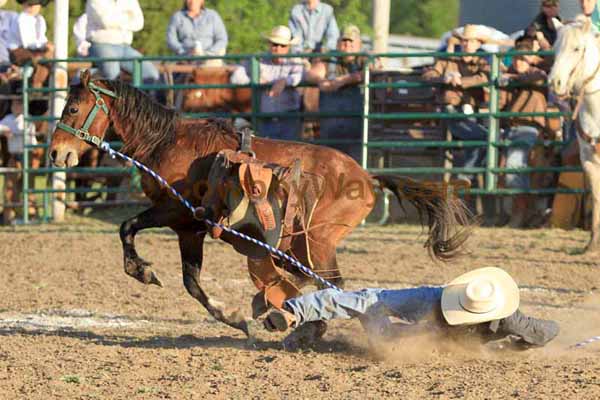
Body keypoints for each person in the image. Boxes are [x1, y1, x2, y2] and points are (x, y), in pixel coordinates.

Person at [264, 267, 559, 351]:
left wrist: (517, 348)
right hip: (413, 334)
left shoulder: (512, 321)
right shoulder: (431, 299)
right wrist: (296, 309)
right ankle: (296, 314)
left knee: (390, 339)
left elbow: (547, 331)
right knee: (367, 303)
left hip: (428, 339)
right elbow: (371, 299)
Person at [422, 24, 491, 186]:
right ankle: (466, 177)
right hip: (452, 110)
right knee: (483, 137)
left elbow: (486, 77)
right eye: (464, 41)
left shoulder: (481, 61)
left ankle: (466, 179)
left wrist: (461, 81)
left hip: (473, 111)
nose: (467, 44)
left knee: (478, 138)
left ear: (478, 44)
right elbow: (428, 74)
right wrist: (444, 78)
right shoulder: (448, 59)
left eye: (471, 41)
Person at [498, 38, 551, 228]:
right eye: (516, 59)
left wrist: (510, 79)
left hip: (529, 127)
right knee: (502, 169)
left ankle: (519, 215)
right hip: (510, 128)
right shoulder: (510, 79)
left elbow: (538, 77)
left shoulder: (537, 74)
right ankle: (512, 213)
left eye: (523, 59)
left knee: (514, 167)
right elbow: (500, 104)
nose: (518, 62)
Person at [306, 24, 371, 161]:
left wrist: (344, 80)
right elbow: (311, 74)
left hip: (356, 128)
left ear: (358, 44)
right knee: (328, 164)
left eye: (351, 41)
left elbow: (372, 71)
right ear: (338, 43)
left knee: (355, 165)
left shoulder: (364, 58)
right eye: (344, 41)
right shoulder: (330, 58)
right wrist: (320, 80)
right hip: (331, 128)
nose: (347, 45)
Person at [230, 25, 303, 141]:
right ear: (269, 44)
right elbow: (236, 76)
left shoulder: (295, 61)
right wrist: (255, 81)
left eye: (282, 45)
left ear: (288, 47)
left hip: (289, 118)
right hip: (266, 119)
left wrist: (285, 81)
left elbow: (300, 76)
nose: (278, 48)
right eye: (274, 44)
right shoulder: (259, 60)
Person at [85, 0, 159, 83]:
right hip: (101, 45)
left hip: (125, 47)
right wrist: (128, 16)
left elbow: (139, 23)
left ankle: (136, 95)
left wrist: (115, 17)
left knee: (151, 74)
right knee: (113, 76)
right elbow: (106, 22)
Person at [0, 94, 37, 224]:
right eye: (14, 104)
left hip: (27, 154)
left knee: (28, 185)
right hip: (14, 155)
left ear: (23, 106)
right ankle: (9, 216)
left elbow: (27, 136)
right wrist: (5, 130)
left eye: (19, 104)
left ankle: (31, 214)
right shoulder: (8, 118)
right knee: (11, 186)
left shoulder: (27, 119)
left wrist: (12, 131)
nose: (16, 107)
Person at [166, 0, 228, 67]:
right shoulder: (177, 17)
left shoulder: (213, 16)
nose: (192, 1)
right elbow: (171, 40)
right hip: (185, 61)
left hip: (210, 60)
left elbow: (222, 39)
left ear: (202, 1)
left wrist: (207, 54)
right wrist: (185, 52)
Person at [7, 0, 53, 88]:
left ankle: (36, 85)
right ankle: (33, 86)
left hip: (32, 50)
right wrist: (44, 45)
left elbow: (41, 38)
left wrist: (47, 45)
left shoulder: (39, 19)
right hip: (17, 51)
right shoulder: (22, 19)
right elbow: (27, 43)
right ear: (24, 5)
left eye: (36, 4)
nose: (33, 7)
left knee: (47, 61)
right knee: (39, 60)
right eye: (30, 4)